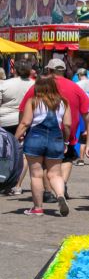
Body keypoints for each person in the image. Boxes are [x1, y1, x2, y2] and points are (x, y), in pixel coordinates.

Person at [15, 76, 71, 215]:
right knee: (55, 174)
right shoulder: (63, 102)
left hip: (35, 138)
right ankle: (60, 196)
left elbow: (25, 123)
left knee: (36, 175)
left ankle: (38, 208)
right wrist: (65, 140)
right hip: (55, 138)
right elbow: (67, 125)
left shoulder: (33, 101)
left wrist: (15, 139)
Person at [42, 56, 89, 210]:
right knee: (67, 158)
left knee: (46, 161)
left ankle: (49, 192)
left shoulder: (41, 85)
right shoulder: (75, 87)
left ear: (49, 70)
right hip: (69, 130)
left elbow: (25, 107)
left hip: (45, 129)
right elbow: (85, 111)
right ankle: (62, 186)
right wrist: (87, 128)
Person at [0, 59, 35, 195]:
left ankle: (4, 180)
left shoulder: (5, 84)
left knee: (4, 152)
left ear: (14, 70)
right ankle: (17, 184)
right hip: (26, 121)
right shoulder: (34, 85)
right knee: (22, 154)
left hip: (4, 122)